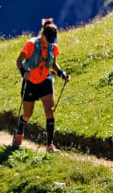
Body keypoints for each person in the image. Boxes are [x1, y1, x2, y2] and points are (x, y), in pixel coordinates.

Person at [12, 17, 70, 152]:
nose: (50, 42)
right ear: (43, 34)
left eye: (52, 40)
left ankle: (50, 145)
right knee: (27, 114)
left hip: (45, 81)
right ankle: (19, 131)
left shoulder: (53, 48)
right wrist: (23, 73)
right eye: (48, 39)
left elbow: (54, 65)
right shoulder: (31, 44)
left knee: (50, 112)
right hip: (30, 82)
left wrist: (62, 74)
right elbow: (19, 61)